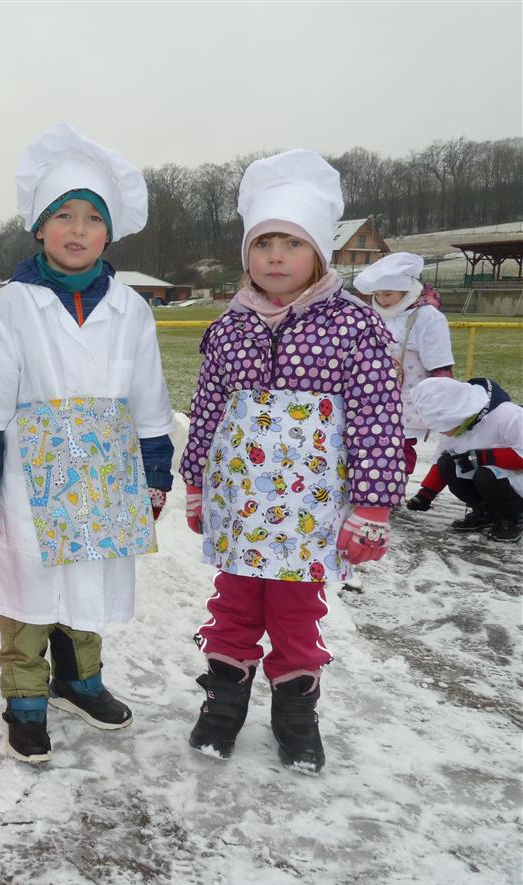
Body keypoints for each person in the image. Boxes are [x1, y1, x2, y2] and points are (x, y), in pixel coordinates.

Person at [180, 149, 406, 773]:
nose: (276, 257)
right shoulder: (229, 329)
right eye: (264, 243)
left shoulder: (354, 327)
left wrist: (372, 507)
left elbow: (378, 418)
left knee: (295, 611)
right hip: (240, 502)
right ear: (247, 253)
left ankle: (296, 714)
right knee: (233, 604)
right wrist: (196, 483)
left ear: (319, 254)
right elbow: (206, 412)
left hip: (310, 510)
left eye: (292, 243)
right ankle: (223, 702)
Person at [0, 123, 175, 763]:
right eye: (63, 216)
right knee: (28, 588)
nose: (78, 230)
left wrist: (155, 474)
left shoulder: (131, 309)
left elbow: (150, 400)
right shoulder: (10, 307)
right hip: (32, 473)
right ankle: (25, 698)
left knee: (88, 583)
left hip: (106, 472)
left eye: (92, 218)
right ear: (39, 228)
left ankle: (80, 681)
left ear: (109, 233)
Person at [353, 252, 454, 475]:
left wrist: (441, 402)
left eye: (387, 294)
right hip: (372, 395)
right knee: (369, 447)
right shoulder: (374, 315)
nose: (382, 300)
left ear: (405, 290)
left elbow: (440, 364)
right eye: (377, 294)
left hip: (407, 400)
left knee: (399, 448)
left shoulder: (426, 317)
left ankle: (395, 486)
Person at [409, 377, 523, 543]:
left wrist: (483, 457)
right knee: (448, 463)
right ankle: (486, 512)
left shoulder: (507, 416)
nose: (440, 431)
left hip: (515, 477)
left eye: (442, 425)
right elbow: (441, 460)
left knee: (485, 474)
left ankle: (513, 517)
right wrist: (426, 494)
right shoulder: (457, 428)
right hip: (492, 476)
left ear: (456, 414)